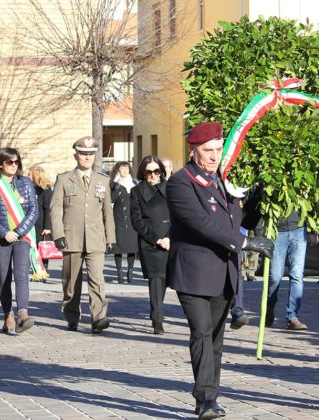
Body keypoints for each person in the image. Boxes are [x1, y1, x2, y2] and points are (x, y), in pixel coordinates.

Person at [166, 121, 273, 419]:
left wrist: (259, 198)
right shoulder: (181, 182)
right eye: (208, 150)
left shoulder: (225, 181)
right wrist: (246, 242)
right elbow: (203, 224)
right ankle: (206, 399)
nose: (214, 156)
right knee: (201, 332)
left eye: (218, 149)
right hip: (194, 272)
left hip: (224, 272)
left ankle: (209, 395)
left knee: (214, 336)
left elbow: (241, 219)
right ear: (193, 150)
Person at [50, 136, 116, 334]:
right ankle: (72, 316)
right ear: (76, 155)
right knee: (71, 282)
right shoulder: (64, 179)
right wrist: (58, 234)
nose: (87, 157)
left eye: (90, 154)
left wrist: (110, 237)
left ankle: (98, 319)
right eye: (83, 154)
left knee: (97, 279)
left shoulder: (103, 180)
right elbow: (55, 209)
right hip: (71, 237)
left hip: (95, 238)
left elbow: (107, 212)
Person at [0, 148, 38, 334]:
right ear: (1, 164)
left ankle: (23, 314)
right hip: (1, 239)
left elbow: (33, 211)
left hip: (22, 237)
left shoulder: (25, 183)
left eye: (16, 162)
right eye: (9, 162)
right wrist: (4, 232)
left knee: (21, 275)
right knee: (4, 278)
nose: (14, 165)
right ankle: (8, 316)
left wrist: (19, 232)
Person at [130, 156, 171, 335]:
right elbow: (137, 221)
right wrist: (157, 239)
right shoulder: (137, 191)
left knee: (164, 280)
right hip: (151, 243)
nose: (153, 175)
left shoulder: (171, 189)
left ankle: (157, 312)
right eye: (149, 172)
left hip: (171, 240)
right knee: (156, 279)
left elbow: (179, 214)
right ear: (143, 173)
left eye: (156, 171)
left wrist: (169, 238)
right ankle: (157, 319)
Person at [265, 210, 313, 330]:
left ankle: (292, 316)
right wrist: (260, 232)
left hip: (299, 229)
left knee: (297, 275)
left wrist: (313, 231)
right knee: (275, 277)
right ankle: (269, 307)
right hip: (277, 230)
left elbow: (312, 204)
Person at [109, 161, 138, 284]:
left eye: (127, 168)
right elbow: (111, 200)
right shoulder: (113, 184)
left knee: (132, 247)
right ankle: (119, 272)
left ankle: (130, 270)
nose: (125, 171)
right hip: (118, 220)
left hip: (132, 220)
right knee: (118, 248)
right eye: (122, 168)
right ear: (118, 170)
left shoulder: (135, 184)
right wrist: (117, 185)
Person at [28, 164, 53, 272]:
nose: (27, 176)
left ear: (36, 175)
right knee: (33, 249)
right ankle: (35, 270)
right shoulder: (30, 188)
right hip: (31, 225)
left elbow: (48, 209)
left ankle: (42, 271)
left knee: (42, 249)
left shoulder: (46, 189)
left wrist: (47, 227)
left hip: (41, 225)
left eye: (29, 174)